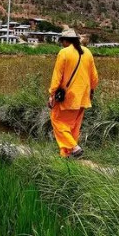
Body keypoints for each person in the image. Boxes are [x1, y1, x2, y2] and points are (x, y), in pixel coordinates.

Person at [47, 27, 99, 158]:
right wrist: (91, 91)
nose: (61, 44)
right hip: (84, 96)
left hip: (68, 97)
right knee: (74, 126)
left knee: (57, 120)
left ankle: (74, 147)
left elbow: (57, 76)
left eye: (61, 41)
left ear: (65, 41)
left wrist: (52, 93)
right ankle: (66, 154)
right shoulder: (87, 52)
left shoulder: (64, 52)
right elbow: (95, 77)